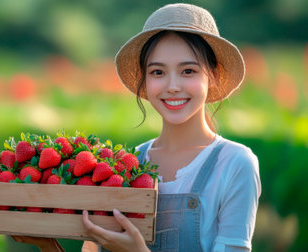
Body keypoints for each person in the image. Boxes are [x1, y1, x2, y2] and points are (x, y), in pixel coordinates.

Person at [14, 3, 261, 251]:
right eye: (157, 72)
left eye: (188, 71)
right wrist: (47, 245)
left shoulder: (235, 164)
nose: (173, 86)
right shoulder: (129, 164)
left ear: (214, 75)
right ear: (144, 80)